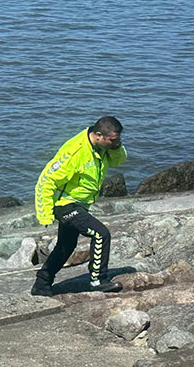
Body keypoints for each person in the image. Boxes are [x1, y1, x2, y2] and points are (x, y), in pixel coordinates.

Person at [31, 116, 127, 296]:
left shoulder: (102, 147)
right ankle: (98, 280)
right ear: (98, 135)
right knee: (101, 234)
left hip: (80, 205)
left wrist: (115, 146)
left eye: (118, 139)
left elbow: (118, 161)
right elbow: (46, 181)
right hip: (65, 205)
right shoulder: (74, 152)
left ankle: (41, 285)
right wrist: (44, 214)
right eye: (113, 140)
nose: (117, 143)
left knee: (66, 246)